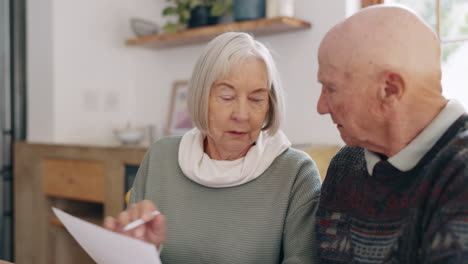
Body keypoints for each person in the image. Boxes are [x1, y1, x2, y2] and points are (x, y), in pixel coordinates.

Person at [104, 32, 322, 263]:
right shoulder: (161, 157)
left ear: (270, 105)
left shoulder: (296, 173)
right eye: (226, 96)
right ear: (200, 97)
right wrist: (133, 250)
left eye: (257, 99)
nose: (241, 115)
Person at [315, 4, 467, 263]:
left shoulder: (460, 173)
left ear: (389, 89)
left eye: (331, 88)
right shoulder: (346, 164)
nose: (320, 107)